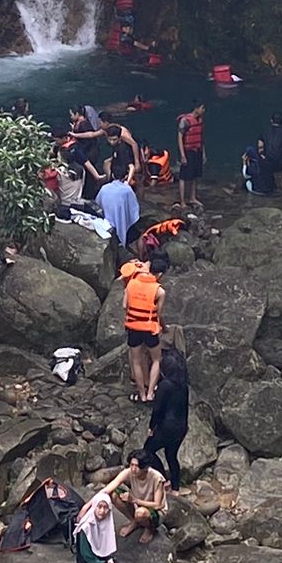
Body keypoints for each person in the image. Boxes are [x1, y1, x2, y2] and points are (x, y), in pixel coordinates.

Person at [121, 252, 167, 404]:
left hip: (133, 327)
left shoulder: (132, 283)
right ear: (159, 274)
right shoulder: (159, 291)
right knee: (156, 360)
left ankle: (141, 394)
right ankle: (150, 394)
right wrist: (164, 328)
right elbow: (158, 314)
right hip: (149, 329)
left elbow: (124, 306)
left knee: (136, 361)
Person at [144, 348, 189, 490]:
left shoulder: (165, 386)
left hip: (166, 427)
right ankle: (175, 486)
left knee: (148, 450)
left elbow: (158, 409)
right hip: (181, 427)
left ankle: (161, 478)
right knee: (171, 456)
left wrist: (152, 427)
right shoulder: (183, 386)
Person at [116, 451, 169, 545]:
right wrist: (88, 505)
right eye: (131, 465)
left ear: (145, 467)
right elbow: (110, 487)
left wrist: (135, 500)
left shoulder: (156, 477)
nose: (133, 469)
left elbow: (157, 505)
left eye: (137, 466)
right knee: (114, 494)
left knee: (140, 513)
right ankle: (134, 522)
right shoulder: (129, 472)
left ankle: (149, 529)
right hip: (137, 505)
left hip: (154, 511)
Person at [96, 171, 141, 248]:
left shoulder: (104, 188)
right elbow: (134, 210)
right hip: (120, 222)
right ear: (126, 176)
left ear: (112, 175)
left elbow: (97, 204)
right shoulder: (127, 190)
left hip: (106, 223)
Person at [176, 101, 205, 210]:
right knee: (184, 176)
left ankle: (192, 197)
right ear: (197, 108)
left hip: (197, 150)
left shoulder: (200, 120)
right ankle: (183, 201)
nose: (203, 110)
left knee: (195, 174)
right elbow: (179, 137)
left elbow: (201, 138)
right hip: (187, 151)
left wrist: (203, 153)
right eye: (202, 108)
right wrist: (182, 155)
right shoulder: (185, 121)